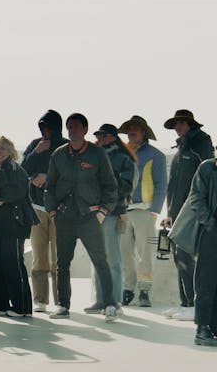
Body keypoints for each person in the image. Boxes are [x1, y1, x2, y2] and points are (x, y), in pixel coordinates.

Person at [45, 113, 118, 322]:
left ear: (85, 130)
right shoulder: (58, 155)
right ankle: (62, 305)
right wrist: (52, 211)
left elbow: (110, 186)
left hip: (89, 218)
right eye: (69, 127)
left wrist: (103, 211)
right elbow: (49, 187)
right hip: (64, 217)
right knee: (62, 263)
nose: (72, 131)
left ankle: (110, 304)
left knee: (100, 261)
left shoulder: (97, 154)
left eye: (76, 127)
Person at [163, 109, 214, 321]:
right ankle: (185, 303)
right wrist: (169, 213)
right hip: (176, 212)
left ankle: (194, 305)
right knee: (178, 258)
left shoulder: (200, 144)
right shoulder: (180, 148)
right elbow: (173, 185)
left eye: (182, 123)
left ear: (191, 125)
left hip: (192, 211)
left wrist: (200, 209)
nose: (178, 127)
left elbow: (210, 175)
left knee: (187, 258)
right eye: (176, 123)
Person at [0, 136, 35, 317]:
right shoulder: (2, 169)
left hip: (15, 224)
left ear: (10, 150)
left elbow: (19, 191)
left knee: (13, 264)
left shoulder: (14, 169)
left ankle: (22, 307)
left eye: (2, 148)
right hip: (0, 224)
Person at [117, 115, 167, 308]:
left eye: (135, 128)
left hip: (144, 211)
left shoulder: (156, 155)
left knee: (145, 253)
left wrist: (155, 211)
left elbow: (162, 184)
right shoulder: (120, 153)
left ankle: (144, 290)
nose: (131, 131)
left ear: (143, 132)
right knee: (125, 252)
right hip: (122, 210)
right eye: (129, 128)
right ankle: (128, 290)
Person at [86, 123, 137, 314]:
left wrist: (106, 185)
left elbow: (126, 187)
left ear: (114, 137)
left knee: (113, 260)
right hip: (92, 214)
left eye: (104, 135)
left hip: (112, 213)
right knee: (98, 259)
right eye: (98, 135)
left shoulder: (124, 159)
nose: (99, 138)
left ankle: (114, 302)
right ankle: (100, 301)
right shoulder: (92, 156)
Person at [21, 109, 68, 313]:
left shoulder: (67, 146)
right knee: (40, 257)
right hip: (37, 208)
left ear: (57, 127)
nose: (46, 130)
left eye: (49, 127)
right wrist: (36, 152)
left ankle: (61, 302)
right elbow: (22, 169)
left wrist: (47, 177)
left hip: (60, 209)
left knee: (60, 259)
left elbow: (71, 175)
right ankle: (40, 300)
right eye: (43, 127)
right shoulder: (35, 144)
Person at [189, 135, 217, 347]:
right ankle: (202, 328)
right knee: (206, 281)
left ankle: (214, 327)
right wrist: (208, 222)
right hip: (211, 232)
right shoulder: (208, 168)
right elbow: (196, 197)